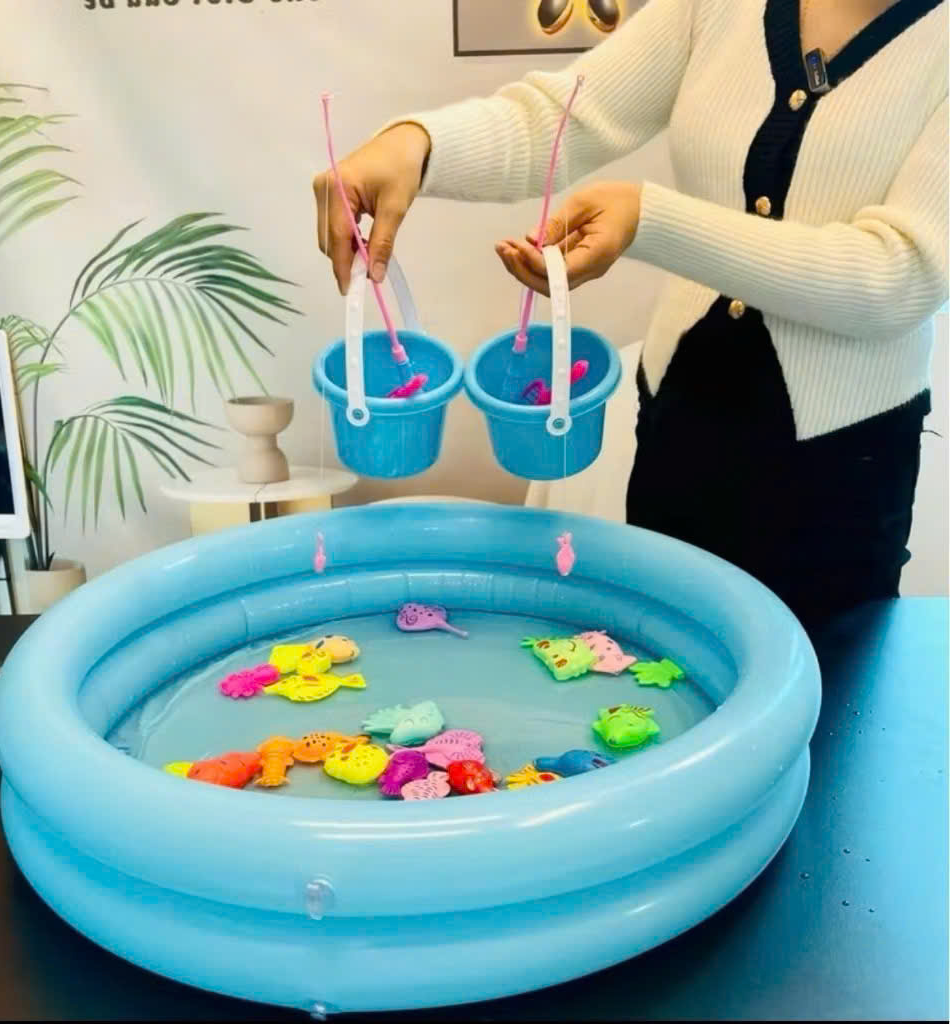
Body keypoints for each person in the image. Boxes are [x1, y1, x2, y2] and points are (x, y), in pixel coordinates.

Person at [314, 0, 948, 630]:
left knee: (826, 681)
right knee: (662, 664)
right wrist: (418, 145)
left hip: (841, 468)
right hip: (682, 420)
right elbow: (566, 116)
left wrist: (650, 220)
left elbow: (901, 275)